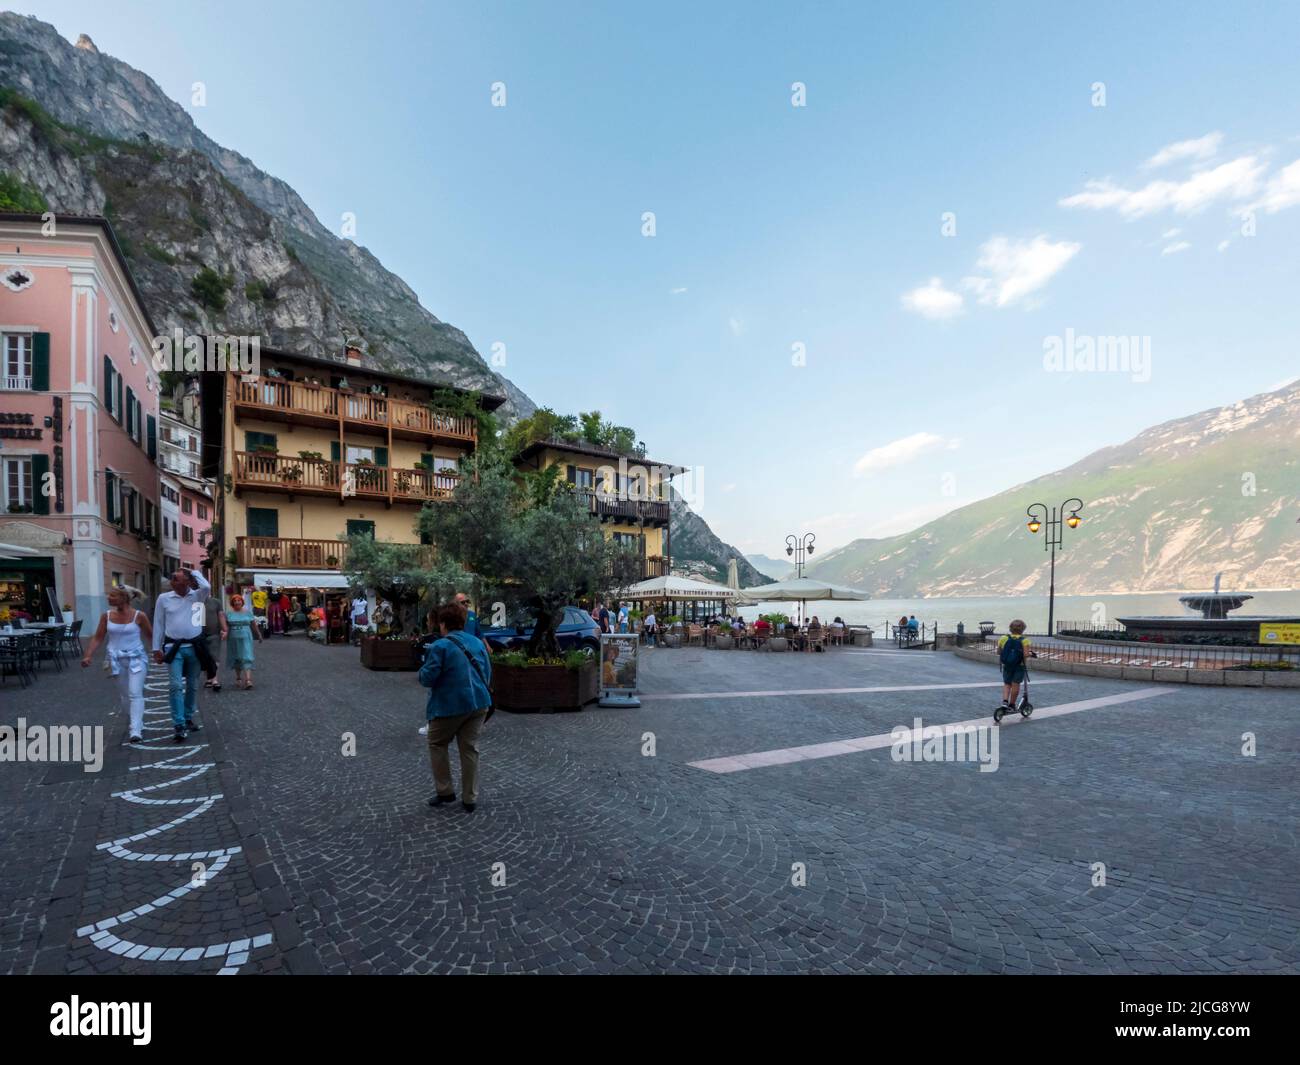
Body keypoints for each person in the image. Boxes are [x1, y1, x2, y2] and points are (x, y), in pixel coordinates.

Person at [419, 601, 492, 812]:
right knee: (469, 749)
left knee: (437, 742)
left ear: (442, 623)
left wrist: (422, 669)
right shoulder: (477, 642)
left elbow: (427, 678)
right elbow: (487, 672)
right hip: (479, 703)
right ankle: (470, 798)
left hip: (450, 705)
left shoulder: (440, 646)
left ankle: (445, 791)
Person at [81, 586, 153, 744]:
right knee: (125, 696)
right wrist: (88, 655)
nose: (108, 598)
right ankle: (137, 720)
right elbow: (98, 637)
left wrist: (159, 652)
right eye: (109, 595)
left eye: (113, 595)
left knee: (135, 693)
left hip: (137, 658)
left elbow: (150, 636)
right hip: (115, 660)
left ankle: (135, 729)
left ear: (124, 598)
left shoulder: (139, 616)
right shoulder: (106, 616)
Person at [152, 568, 213, 742]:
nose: (172, 581)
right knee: (176, 685)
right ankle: (178, 723)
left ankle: (187, 716)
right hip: (173, 647)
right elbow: (158, 623)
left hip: (194, 647)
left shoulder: (197, 596)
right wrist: (156, 648)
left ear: (187, 581)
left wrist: (194, 572)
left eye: (177, 578)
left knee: (193, 685)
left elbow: (207, 586)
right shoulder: (164, 599)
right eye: (172, 578)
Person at [223, 593, 264, 690]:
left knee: (246, 655)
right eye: (235, 601)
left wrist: (259, 634)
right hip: (233, 636)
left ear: (242, 602)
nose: (237, 602)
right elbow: (226, 626)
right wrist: (224, 633)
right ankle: (238, 677)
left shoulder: (247, 612)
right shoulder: (228, 613)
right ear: (232, 603)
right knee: (236, 656)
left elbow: (253, 624)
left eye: (239, 601)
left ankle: (248, 680)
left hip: (246, 635)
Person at [997, 619, 1035, 712]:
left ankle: (1005, 702)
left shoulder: (1003, 638)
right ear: (1023, 629)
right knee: (1015, 684)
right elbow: (1025, 654)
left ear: (1010, 628)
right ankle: (1012, 704)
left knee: (1007, 684)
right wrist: (1031, 654)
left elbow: (999, 652)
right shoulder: (1025, 640)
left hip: (1007, 665)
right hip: (1019, 666)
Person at [202, 593, 226, 692]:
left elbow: (221, 616)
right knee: (204, 657)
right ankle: (209, 678)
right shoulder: (193, 602)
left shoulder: (216, 602)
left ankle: (214, 679)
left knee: (214, 656)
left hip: (214, 633)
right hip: (199, 635)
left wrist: (225, 629)